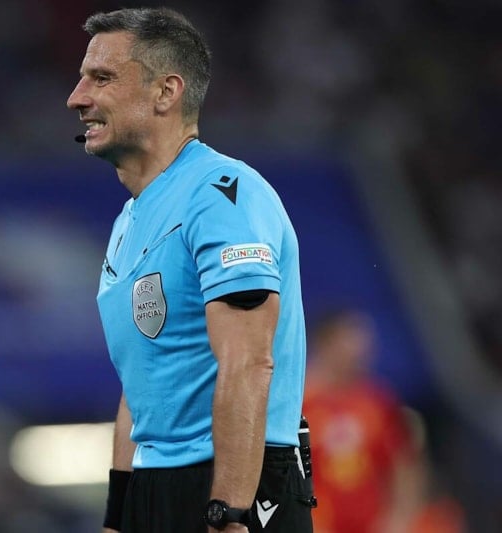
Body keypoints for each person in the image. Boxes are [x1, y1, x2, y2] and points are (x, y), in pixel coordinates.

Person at [66, 7, 311, 533]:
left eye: (102, 78)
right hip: (157, 485)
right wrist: (118, 518)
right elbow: (140, 386)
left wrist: (229, 511)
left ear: (166, 92)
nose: (77, 98)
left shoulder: (222, 196)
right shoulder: (129, 221)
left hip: (234, 481)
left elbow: (249, 362)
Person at [303, 309, 465, 533]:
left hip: (373, 525)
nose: (361, 350)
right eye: (351, 341)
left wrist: (399, 520)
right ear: (326, 343)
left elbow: (406, 466)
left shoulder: (378, 401)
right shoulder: (299, 404)